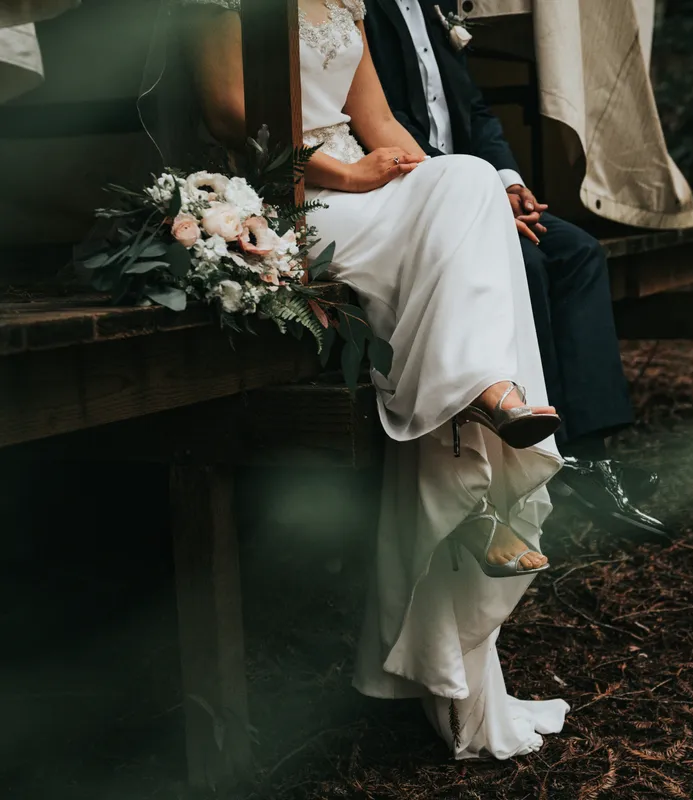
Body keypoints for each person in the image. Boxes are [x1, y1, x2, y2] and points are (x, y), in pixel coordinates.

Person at [172, 0, 569, 759]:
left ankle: (480, 392)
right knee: (468, 206)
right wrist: (351, 174)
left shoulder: (343, 1)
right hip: (291, 198)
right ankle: (487, 402)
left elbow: (380, 121)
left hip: (369, 184)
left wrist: (441, 187)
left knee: (471, 178)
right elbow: (233, 119)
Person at [362, 0, 669, 539]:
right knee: (523, 263)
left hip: (481, 187)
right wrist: (475, 194)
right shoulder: (364, 10)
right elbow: (384, 125)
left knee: (577, 253)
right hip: (421, 192)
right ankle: (538, 462)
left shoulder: (435, 11)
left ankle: (590, 459)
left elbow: (476, 112)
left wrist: (507, 182)